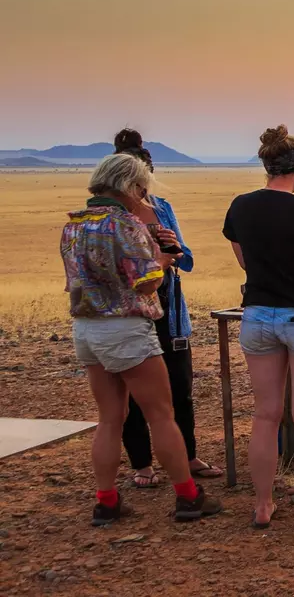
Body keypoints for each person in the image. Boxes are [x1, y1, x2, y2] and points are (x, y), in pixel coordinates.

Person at [61, 154, 221, 526]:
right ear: (131, 187)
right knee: (161, 414)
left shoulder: (75, 224)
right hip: (126, 327)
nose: (144, 197)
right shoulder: (125, 223)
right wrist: (163, 259)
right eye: (142, 189)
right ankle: (187, 496)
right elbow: (145, 282)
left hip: (87, 328)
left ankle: (107, 502)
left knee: (109, 418)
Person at [222, 125, 294, 531]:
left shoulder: (240, 207)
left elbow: (244, 263)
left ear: (266, 165)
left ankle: (262, 505)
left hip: (258, 316)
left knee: (265, 415)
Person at [111, 130, 222, 488]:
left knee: (180, 387)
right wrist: (156, 261)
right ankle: (142, 463)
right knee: (131, 394)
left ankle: (187, 455)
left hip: (170, 312)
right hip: (131, 313)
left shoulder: (163, 209)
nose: (145, 185)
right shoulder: (110, 217)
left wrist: (173, 252)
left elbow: (185, 259)